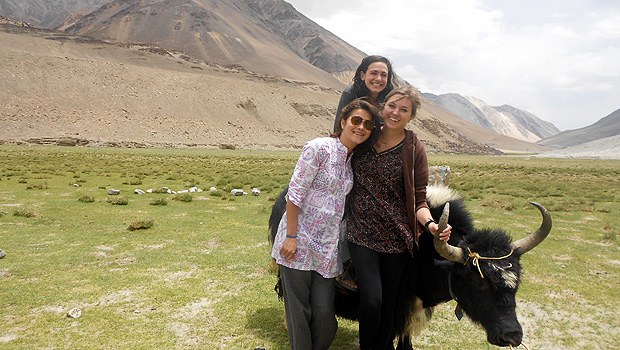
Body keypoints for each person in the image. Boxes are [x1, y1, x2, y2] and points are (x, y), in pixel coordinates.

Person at [345, 86, 452, 350]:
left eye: (404, 109)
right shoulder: (365, 136)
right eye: (392, 106)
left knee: (391, 304)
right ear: (383, 107)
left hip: (397, 238)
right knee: (372, 300)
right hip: (361, 231)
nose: (396, 113)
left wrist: (430, 224)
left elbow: (419, 199)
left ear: (411, 116)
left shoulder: (414, 148)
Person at [271, 98, 382, 350]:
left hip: (326, 251)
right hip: (297, 243)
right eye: (356, 120)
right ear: (343, 122)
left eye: (367, 124)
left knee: (324, 317)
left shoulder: (352, 162)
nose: (361, 127)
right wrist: (290, 236)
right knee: (299, 313)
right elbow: (295, 194)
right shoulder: (318, 148)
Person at [332, 55, 397, 133]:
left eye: (383, 75)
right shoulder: (350, 93)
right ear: (363, 75)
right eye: (374, 73)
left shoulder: (391, 98)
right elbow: (338, 128)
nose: (379, 79)